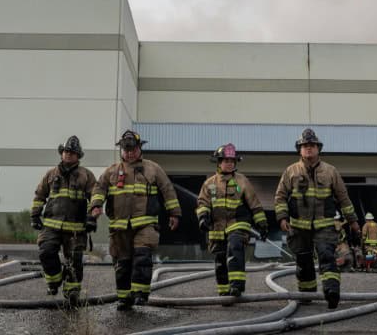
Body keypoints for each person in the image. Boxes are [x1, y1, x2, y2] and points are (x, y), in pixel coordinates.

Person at [90, 130, 181, 311]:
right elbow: (99, 189)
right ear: (121, 150)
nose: (130, 152)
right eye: (126, 149)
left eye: (133, 149)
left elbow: (168, 190)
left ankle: (140, 294)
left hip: (145, 223)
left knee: (142, 256)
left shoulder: (153, 169)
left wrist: (174, 213)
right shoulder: (111, 171)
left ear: (140, 149)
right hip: (119, 227)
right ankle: (124, 299)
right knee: (122, 264)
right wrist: (95, 205)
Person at [274, 128, 359, 309]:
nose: (309, 149)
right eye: (305, 146)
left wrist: (353, 221)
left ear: (318, 148)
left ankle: (332, 293)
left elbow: (343, 198)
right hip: (298, 226)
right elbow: (280, 196)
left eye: (312, 145)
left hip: (325, 225)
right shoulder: (290, 171)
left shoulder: (330, 171)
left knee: (327, 257)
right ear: (300, 149)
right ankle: (306, 295)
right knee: (303, 262)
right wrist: (282, 217)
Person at [196, 143, 268, 299]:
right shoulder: (210, 184)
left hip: (238, 224)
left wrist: (262, 224)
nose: (229, 163)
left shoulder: (242, 181)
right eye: (226, 160)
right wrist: (203, 218)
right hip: (217, 228)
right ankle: (224, 291)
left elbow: (254, 204)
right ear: (219, 162)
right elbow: (203, 203)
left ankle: (236, 286)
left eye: (232, 161)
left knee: (235, 247)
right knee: (220, 259)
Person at [31, 135, 97, 303]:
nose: (68, 154)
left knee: (74, 260)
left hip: (76, 228)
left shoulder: (86, 175)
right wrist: (35, 214)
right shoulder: (51, 174)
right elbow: (40, 195)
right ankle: (54, 282)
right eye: (66, 151)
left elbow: (95, 198)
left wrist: (91, 218)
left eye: (72, 152)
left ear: (78, 156)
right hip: (51, 226)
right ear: (62, 153)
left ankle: (72, 293)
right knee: (46, 252)